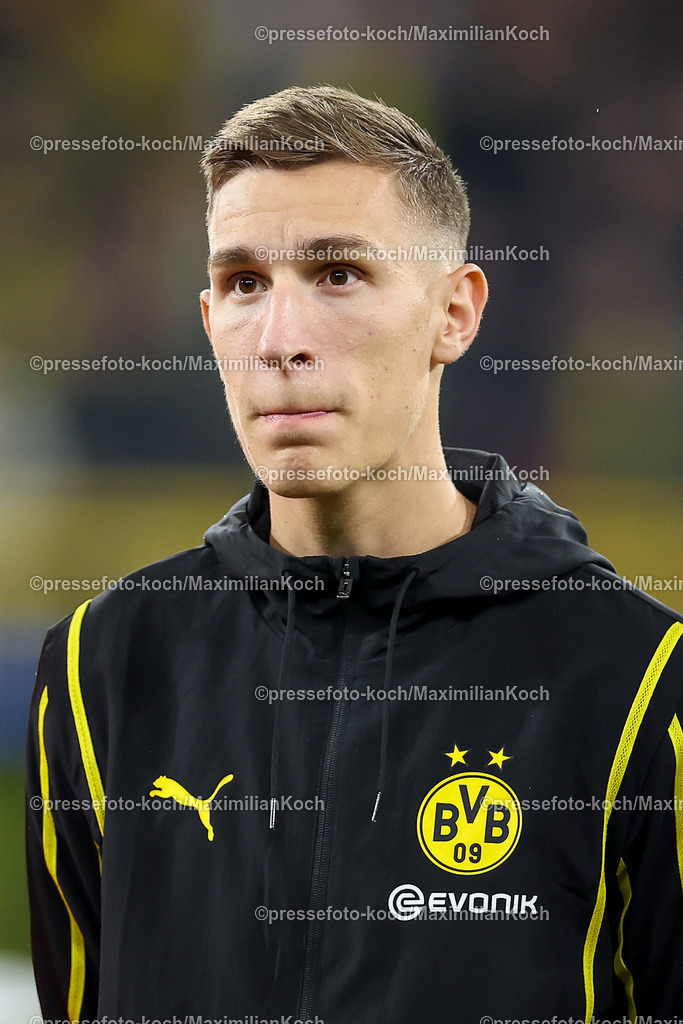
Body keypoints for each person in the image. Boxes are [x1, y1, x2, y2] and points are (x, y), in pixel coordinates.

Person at [27, 85, 683, 1024]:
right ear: (209, 321)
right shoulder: (100, 665)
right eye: (246, 282)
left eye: (338, 274)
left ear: (454, 314)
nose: (281, 341)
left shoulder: (635, 681)